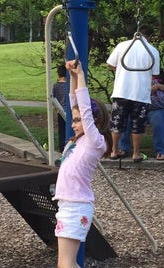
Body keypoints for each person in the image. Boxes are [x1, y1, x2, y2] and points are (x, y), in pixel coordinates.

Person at [53, 60, 112, 268]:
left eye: (78, 120)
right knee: (65, 264)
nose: (74, 123)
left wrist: (82, 76)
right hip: (67, 205)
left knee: (65, 265)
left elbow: (84, 109)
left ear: (93, 121)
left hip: (77, 206)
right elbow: (74, 102)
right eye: (74, 120)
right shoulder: (77, 142)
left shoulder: (96, 142)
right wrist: (73, 77)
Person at [106, 25, 160, 162]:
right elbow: (155, 73)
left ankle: (114, 150)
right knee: (138, 124)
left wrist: (121, 72)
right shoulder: (153, 51)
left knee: (117, 122)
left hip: (121, 90)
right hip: (141, 93)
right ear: (149, 37)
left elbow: (110, 64)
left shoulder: (121, 46)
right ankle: (136, 153)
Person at [118, 70, 164, 161]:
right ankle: (123, 148)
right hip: (137, 107)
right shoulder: (136, 76)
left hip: (157, 108)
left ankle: (160, 151)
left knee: (158, 122)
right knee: (127, 120)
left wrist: (159, 86)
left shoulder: (163, 77)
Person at [52, 64, 68, 152]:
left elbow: (53, 98)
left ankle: (62, 148)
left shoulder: (55, 86)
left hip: (60, 111)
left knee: (61, 131)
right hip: (69, 111)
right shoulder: (69, 86)